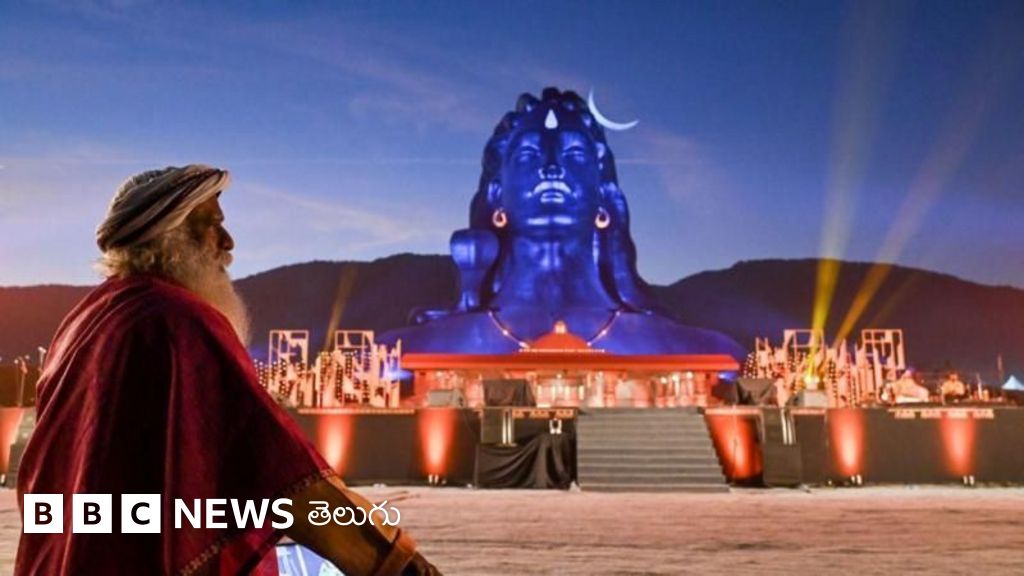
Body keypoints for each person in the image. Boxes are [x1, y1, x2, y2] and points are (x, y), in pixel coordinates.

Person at [15, 165, 439, 575]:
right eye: (212, 225)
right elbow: (277, 467)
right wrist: (393, 562)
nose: (228, 242)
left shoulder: (87, 319)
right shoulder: (178, 321)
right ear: (169, 236)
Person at [380, 88, 743, 358]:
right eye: (529, 154)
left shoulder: (701, 348)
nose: (552, 168)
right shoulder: (405, 349)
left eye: (574, 154)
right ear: (496, 194)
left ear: (603, 195)